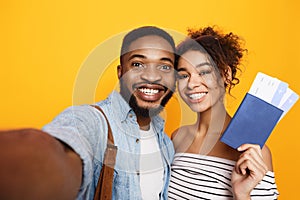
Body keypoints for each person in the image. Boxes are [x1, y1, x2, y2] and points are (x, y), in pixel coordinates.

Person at [0, 26, 176, 200]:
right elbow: (57, 151)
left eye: (164, 67)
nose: (152, 77)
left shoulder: (166, 144)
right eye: (137, 64)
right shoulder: (92, 121)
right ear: (120, 73)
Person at [168, 26, 279, 199]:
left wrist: (242, 194)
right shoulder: (177, 137)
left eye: (204, 72)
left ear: (225, 74)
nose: (192, 84)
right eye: (183, 75)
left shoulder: (253, 150)